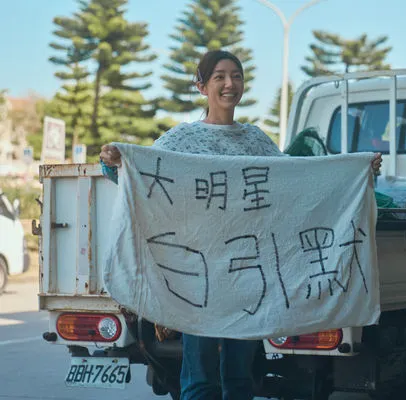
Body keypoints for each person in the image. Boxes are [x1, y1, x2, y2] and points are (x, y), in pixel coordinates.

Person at [100, 50, 382, 400]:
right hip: (199, 279)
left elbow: (296, 185)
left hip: (249, 276)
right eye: (219, 76)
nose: (229, 84)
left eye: (236, 76)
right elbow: (138, 175)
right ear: (201, 86)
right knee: (200, 379)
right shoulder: (180, 140)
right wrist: (112, 162)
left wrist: (355, 172)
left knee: (239, 378)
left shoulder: (256, 140)